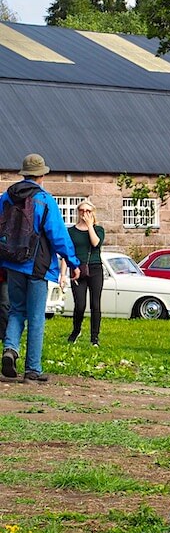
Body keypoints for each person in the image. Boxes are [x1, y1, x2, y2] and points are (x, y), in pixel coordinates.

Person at [1, 153, 81, 383]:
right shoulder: (45, 200)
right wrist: (73, 262)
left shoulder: (6, 198)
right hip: (37, 266)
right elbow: (59, 236)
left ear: (24, 173)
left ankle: (10, 349)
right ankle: (32, 370)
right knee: (36, 317)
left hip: (12, 263)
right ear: (42, 175)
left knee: (16, 310)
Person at [63, 199, 105, 345]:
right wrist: (63, 275)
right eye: (82, 211)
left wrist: (89, 226)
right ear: (78, 213)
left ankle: (94, 337)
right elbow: (66, 253)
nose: (85, 213)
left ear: (93, 213)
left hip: (95, 268)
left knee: (95, 304)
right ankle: (76, 330)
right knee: (80, 305)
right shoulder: (71, 231)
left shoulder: (98, 229)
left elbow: (95, 243)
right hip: (77, 269)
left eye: (88, 211)